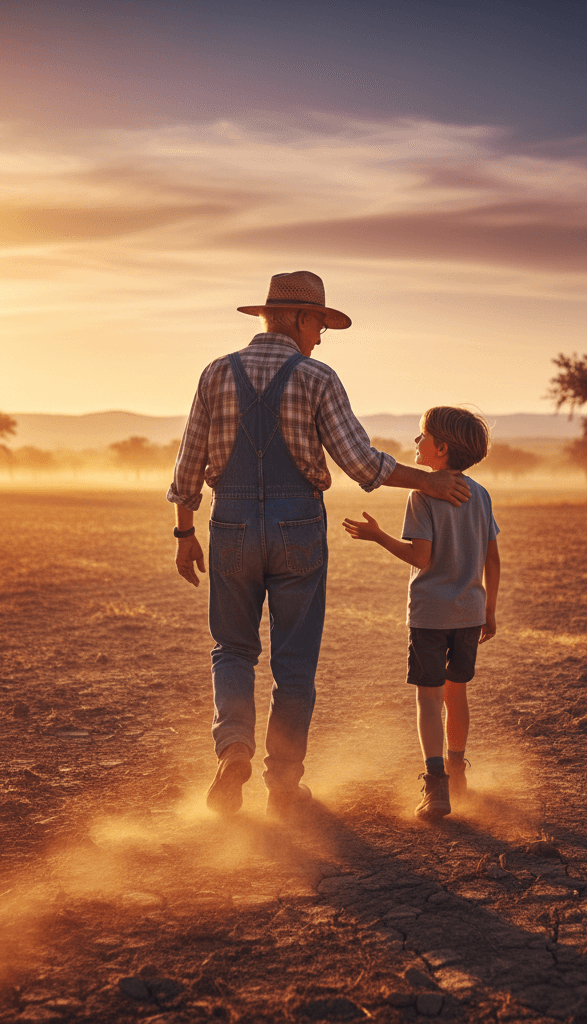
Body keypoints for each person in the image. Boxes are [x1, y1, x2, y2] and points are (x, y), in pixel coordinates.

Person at [169, 271, 470, 819]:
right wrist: (427, 481)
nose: (320, 338)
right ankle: (283, 785)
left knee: (232, 649)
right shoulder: (317, 377)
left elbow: (189, 463)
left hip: (230, 525)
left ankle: (233, 750)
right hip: (298, 529)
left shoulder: (216, 373)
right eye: (320, 326)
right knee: (295, 664)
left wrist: (185, 532)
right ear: (301, 318)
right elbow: (361, 463)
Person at [342, 407, 500, 820]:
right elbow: (492, 557)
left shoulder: (422, 495)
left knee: (429, 699)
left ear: (441, 449)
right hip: (469, 613)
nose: (416, 442)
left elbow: (420, 558)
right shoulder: (481, 495)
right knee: (456, 694)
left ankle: (436, 787)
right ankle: (457, 773)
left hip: (430, 615)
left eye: (422, 436)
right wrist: (489, 608)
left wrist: (378, 536)